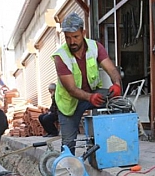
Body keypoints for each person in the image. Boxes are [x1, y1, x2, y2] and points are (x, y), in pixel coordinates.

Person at [52, 12, 122, 155]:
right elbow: (71, 89)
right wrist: (90, 97)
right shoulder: (61, 56)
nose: (72, 42)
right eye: (68, 38)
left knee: (119, 103)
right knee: (68, 145)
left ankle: (118, 145)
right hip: (69, 102)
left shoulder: (95, 47)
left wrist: (116, 84)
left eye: (76, 37)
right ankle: (67, 169)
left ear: (83, 32)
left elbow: (111, 68)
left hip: (92, 93)